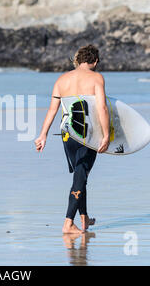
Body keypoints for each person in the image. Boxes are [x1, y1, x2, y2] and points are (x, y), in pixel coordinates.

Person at [34, 44, 110, 234]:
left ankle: (83, 217)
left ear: (78, 60)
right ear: (96, 61)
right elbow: (102, 108)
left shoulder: (61, 80)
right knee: (81, 173)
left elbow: (52, 110)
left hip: (67, 133)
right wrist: (107, 135)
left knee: (79, 172)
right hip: (87, 132)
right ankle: (68, 222)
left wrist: (42, 135)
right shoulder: (96, 78)